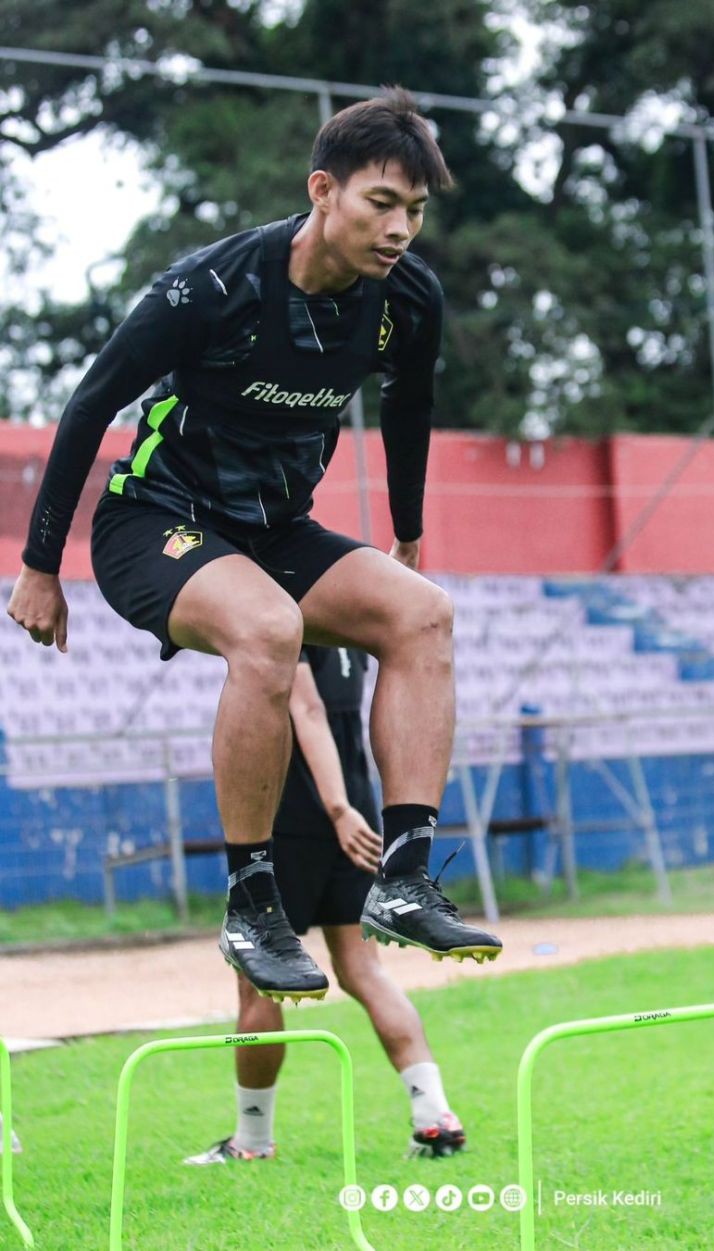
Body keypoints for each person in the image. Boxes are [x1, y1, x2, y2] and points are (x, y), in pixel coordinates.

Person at [6, 88, 502, 1001]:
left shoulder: (407, 300)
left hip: (273, 531)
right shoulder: (214, 285)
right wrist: (42, 566)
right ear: (323, 190)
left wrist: (409, 525)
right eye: (380, 204)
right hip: (151, 520)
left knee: (424, 615)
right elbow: (89, 402)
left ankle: (403, 876)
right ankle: (250, 902)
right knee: (270, 628)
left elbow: (412, 406)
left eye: (416, 211)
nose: (400, 229)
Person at [186, 645, 465, 1163]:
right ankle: (434, 1114)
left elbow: (307, 708)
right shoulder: (352, 613)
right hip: (358, 810)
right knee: (363, 969)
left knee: (259, 978)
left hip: (291, 816)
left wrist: (334, 808)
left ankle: (250, 1142)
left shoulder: (290, 605)